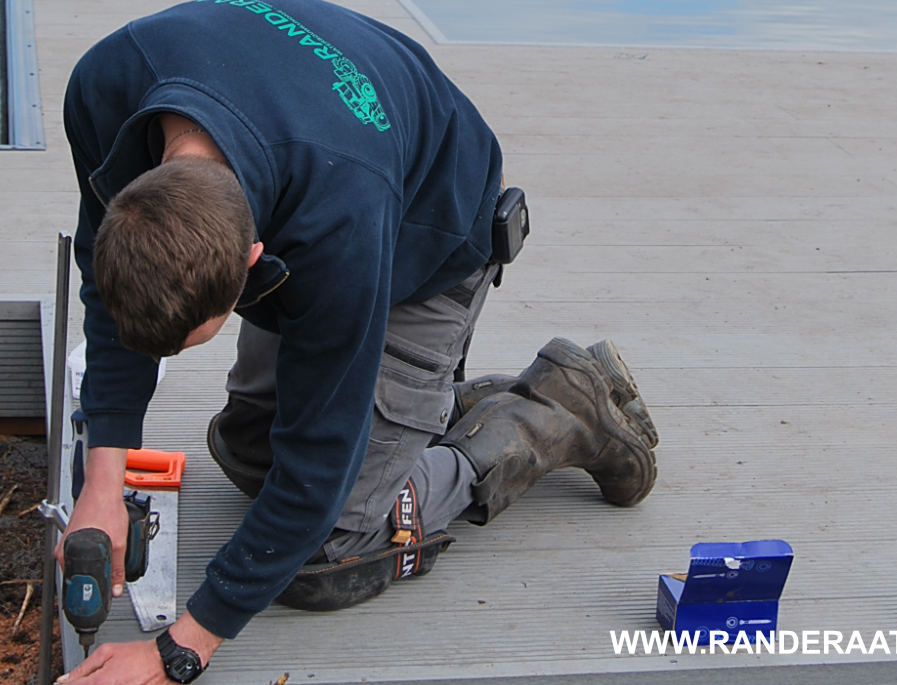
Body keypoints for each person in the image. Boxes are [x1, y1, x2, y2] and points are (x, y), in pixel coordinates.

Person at [56, 1, 659, 683]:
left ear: (256, 261)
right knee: (248, 448)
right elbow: (110, 294)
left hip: (424, 240)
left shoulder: (338, 221)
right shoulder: (106, 89)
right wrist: (102, 484)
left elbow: (314, 474)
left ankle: (552, 412)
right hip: (317, 156)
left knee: (327, 547)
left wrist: (180, 649)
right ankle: (440, 405)